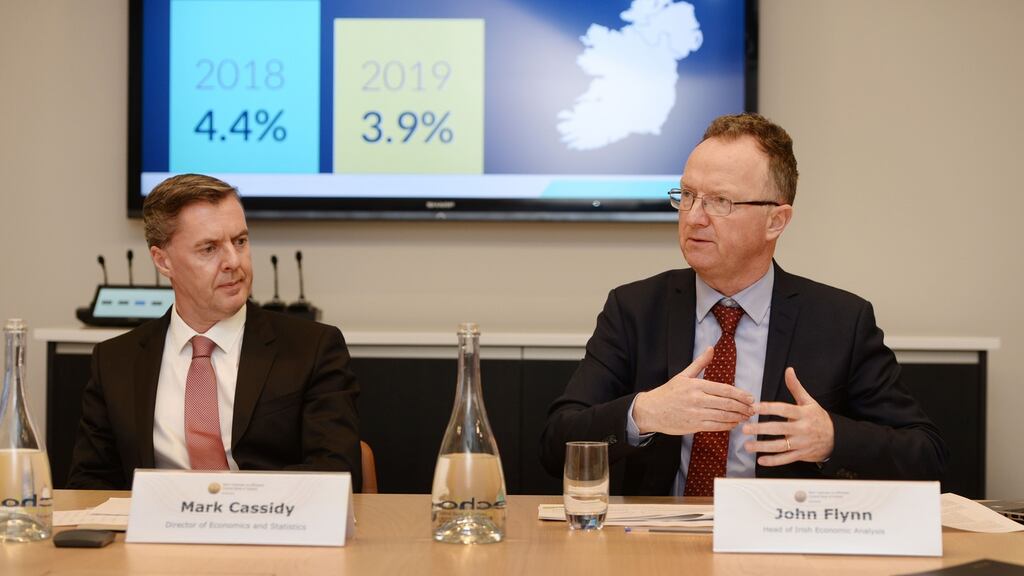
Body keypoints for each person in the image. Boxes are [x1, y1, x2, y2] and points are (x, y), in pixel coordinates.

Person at [540, 113, 947, 495]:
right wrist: (642, 414)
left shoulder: (841, 321)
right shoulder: (634, 310)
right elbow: (555, 444)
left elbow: (926, 455)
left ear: (776, 221)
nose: (694, 217)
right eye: (687, 195)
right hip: (657, 541)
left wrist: (832, 440)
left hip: (783, 544)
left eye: (720, 201)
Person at [67, 174, 361, 490]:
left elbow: (335, 473)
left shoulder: (313, 349)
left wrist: (234, 510)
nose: (234, 262)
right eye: (209, 249)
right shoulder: (114, 362)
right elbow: (89, 485)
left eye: (240, 241)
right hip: (157, 536)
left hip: (271, 534)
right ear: (162, 261)